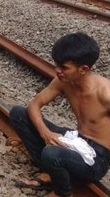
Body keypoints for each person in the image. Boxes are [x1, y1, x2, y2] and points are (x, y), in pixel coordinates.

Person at [10, 33, 110, 197]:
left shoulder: (105, 93)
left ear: (83, 69)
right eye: (57, 65)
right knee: (19, 114)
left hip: (97, 158)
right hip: (77, 139)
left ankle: (62, 193)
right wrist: (45, 133)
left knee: (51, 153)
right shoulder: (63, 81)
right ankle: (51, 171)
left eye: (64, 67)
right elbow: (34, 105)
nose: (57, 71)